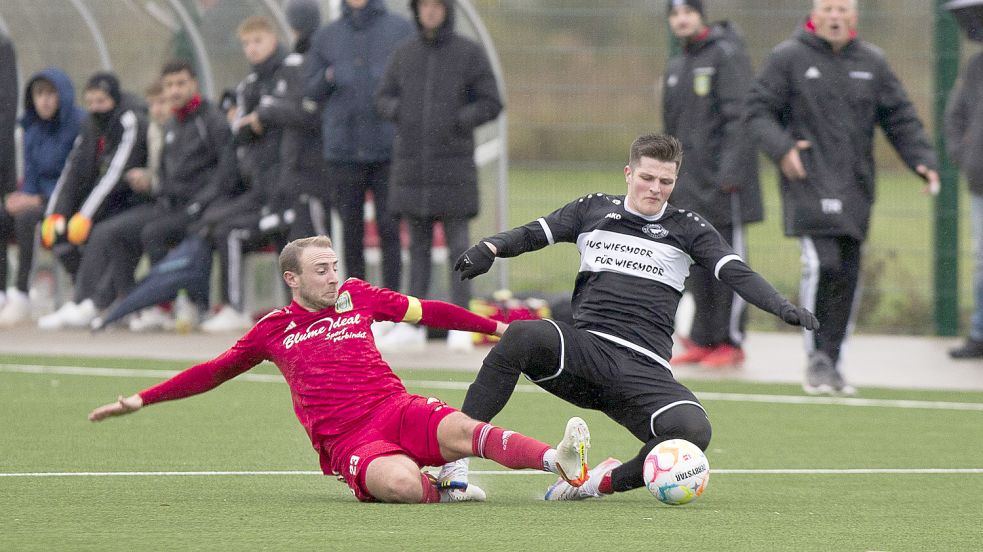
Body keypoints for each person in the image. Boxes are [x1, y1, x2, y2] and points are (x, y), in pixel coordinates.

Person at [441, 134, 819, 500]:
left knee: (692, 432)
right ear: (629, 174)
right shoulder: (593, 209)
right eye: (647, 177)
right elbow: (535, 233)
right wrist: (492, 246)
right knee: (523, 335)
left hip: (645, 370)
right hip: (586, 353)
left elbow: (737, 273)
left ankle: (593, 484)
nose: (655, 188)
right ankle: (455, 463)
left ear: (675, 181)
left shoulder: (688, 228)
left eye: (666, 181)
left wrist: (780, 305)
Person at [88, 235, 592, 504]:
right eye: (320, 270)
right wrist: (142, 398)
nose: (333, 277)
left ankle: (560, 461)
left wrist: (497, 326)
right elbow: (211, 372)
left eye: (334, 266)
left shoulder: (358, 297)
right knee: (397, 485)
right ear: (292, 278)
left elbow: (428, 310)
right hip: (349, 439)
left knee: (465, 429)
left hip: (396, 407)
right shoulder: (273, 329)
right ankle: (442, 490)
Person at [746, 0, 939, 394]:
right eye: (828, 8)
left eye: (843, 8)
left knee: (847, 273)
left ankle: (833, 361)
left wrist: (922, 160)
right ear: (815, 13)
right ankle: (816, 356)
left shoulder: (873, 62)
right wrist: (783, 149)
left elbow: (900, 116)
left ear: (854, 15)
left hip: (855, 186)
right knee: (822, 263)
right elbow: (756, 112)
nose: (835, 15)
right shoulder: (788, 57)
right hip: (808, 182)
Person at [37, 60, 235, 330]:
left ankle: (166, 305)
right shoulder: (172, 125)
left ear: (194, 84)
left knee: (153, 232)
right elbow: (165, 175)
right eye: (169, 86)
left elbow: (225, 173)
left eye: (180, 84)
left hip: (200, 208)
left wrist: (198, 204)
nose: (174, 91)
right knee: (111, 231)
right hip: (168, 205)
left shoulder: (210, 120)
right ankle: (124, 302)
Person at [375, 0, 503, 351]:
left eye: (436, 5)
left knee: (460, 247)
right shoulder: (404, 54)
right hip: (412, 168)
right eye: (423, 6)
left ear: (447, 10)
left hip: (454, 168)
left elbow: (492, 102)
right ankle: (414, 325)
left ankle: (460, 324)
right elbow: (382, 98)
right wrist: (402, 112)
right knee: (416, 249)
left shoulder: (469, 54)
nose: (429, 11)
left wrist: (458, 120)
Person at [662, 0, 763, 368]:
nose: (682, 18)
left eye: (688, 11)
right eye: (674, 14)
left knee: (727, 261)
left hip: (724, 185)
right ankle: (704, 338)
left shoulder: (725, 55)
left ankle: (731, 341)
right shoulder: (676, 66)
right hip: (687, 184)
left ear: (700, 14)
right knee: (696, 263)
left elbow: (741, 118)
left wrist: (730, 173)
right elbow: (669, 130)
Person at [196, 15, 311, 333]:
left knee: (287, 245)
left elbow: (297, 111)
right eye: (246, 43)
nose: (252, 49)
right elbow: (240, 131)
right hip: (260, 188)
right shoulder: (248, 85)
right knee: (215, 223)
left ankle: (244, 308)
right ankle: (228, 306)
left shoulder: (291, 69)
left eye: (257, 41)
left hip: (292, 185)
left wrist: (263, 115)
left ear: (273, 39)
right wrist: (249, 122)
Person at [304, 0, 412, 298]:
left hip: (389, 149)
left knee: (390, 229)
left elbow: (414, 80)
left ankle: (392, 302)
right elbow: (309, 88)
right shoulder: (327, 35)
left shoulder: (400, 29)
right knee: (350, 233)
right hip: (343, 151)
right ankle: (359, 302)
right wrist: (328, 77)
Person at [38, 73, 149, 302]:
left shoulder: (130, 120)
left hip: (131, 201)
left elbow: (115, 173)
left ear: (114, 100)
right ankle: (83, 292)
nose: (95, 108)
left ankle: (93, 299)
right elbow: (73, 169)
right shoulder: (90, 123)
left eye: (102, 102)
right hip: (103, 201)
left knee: (101, 233)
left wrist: (86, 215)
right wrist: (55, 213)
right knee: (61, 235)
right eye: (90, 103)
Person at [0, 68, 82, 326]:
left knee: (26, 219)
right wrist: (21, 196)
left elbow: (75, 177)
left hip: (69, 203)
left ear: (62, 96)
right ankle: (2, 292)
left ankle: (22, 294)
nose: (44, 100)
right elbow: (32, 175)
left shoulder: (78, 126)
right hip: (40, 201)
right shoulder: (32, 129)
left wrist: (36, 201)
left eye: (50, 93)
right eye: (39, 94)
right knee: (4, 215)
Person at [945, 47, 983, 358]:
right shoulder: (975, 67)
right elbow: (955, 115)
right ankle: (979, 332)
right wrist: (964, 154)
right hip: (980, 180)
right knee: (982, 260)